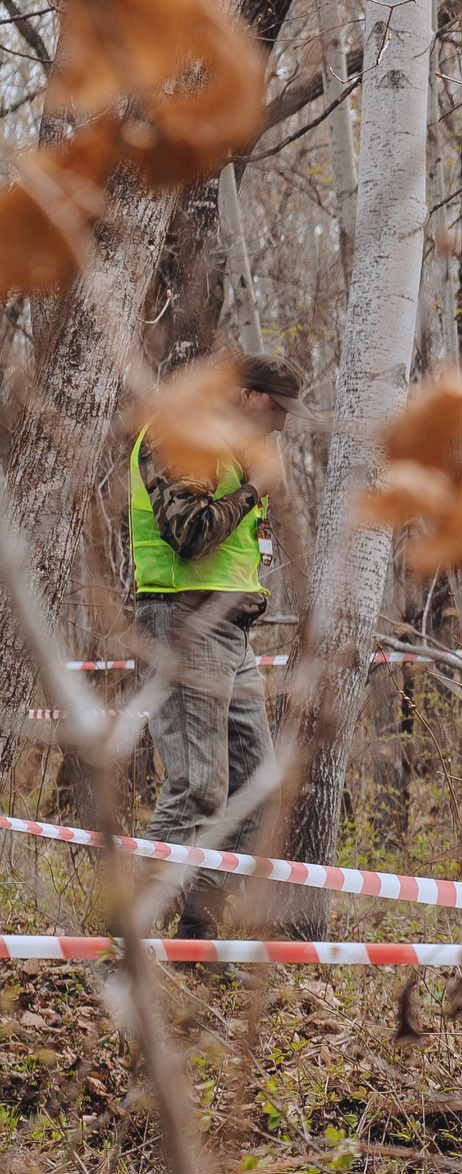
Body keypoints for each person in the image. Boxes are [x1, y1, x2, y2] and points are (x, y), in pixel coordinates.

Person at [130, 352, 301, 936]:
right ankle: (123, 945)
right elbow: (189, 533)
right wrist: (253, 490)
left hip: (232, 627)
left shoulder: (231, 445)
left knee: (256, 791)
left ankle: (196, 938)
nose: (280, 424)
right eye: (276, 408)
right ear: (247, 394)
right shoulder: (184, 433)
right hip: (184, 620)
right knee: (197, 788)